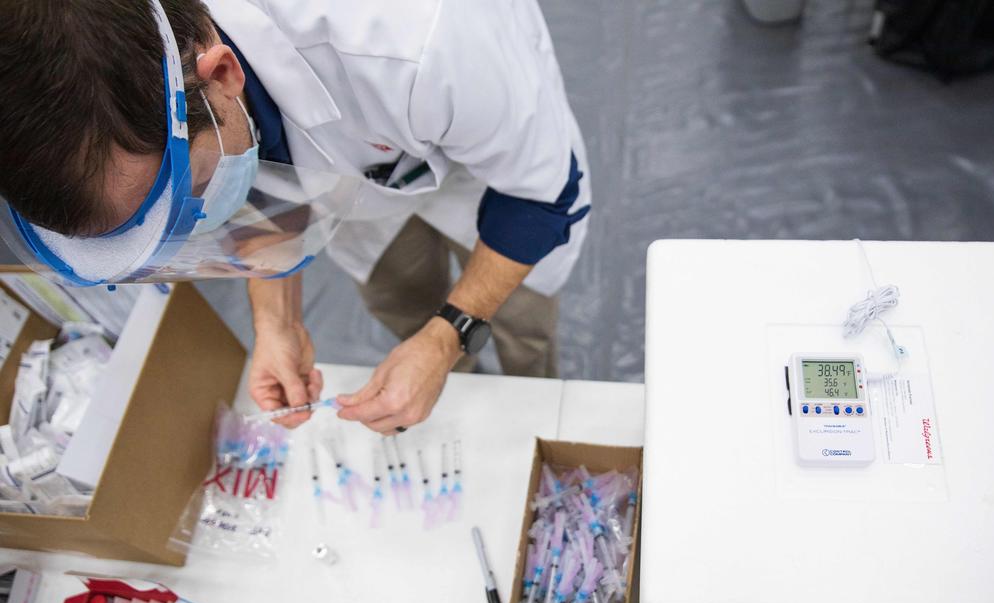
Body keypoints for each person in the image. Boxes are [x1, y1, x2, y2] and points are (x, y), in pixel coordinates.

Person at [0, 0, 590, 433]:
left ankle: (528, 401)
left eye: (189, 198)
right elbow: (255, 185)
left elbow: (541, 195)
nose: (201, 226)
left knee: (519, 320)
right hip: (359, 174)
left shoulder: (421, 40)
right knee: (400, 294)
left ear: (223, 75)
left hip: (487, 150)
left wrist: (447, 338)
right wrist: (276, 322)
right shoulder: (148, 78)